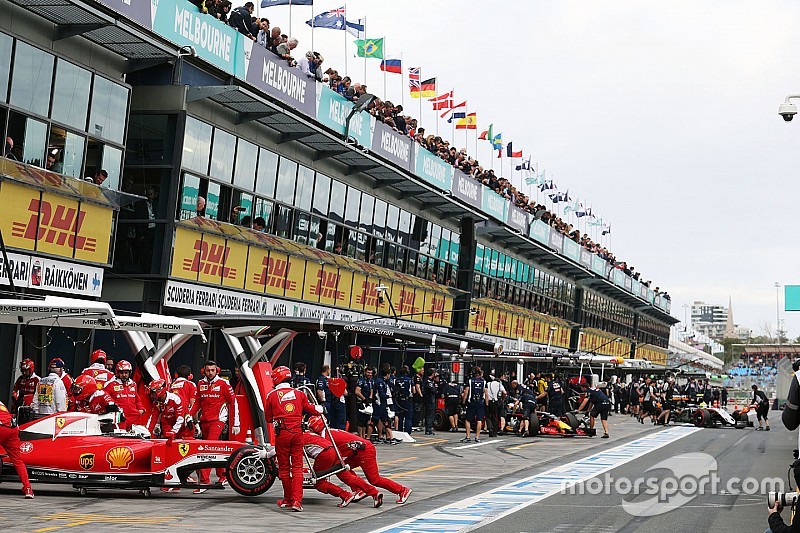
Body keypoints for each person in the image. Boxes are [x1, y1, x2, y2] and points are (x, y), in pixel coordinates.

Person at [308, 417, 411, 506]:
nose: (309, 430)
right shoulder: (328, 432)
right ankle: (359, 489)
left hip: (364, 451)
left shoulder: (326, 437)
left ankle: (402, 490)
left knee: (374, 479)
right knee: (341, 470)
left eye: (310, 428)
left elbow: (334, 454)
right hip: (357, 451)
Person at [264, 365, 323, 512]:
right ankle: (297, 501)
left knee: (284, 468)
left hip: (282, 435)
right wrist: (320, 409)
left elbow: (268, 418)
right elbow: (313, 409)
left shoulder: (271, 395)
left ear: (276, 378)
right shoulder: (300, 393)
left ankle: (288, 499)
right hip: (298, 434)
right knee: (297, 467)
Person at [195, 360, 240, 493]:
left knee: (208, 448)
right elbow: (197, 402)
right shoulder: (200, 383)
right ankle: (223, 475)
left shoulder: (224, 383)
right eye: (208, 370)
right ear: (204, 371)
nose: (210, 372)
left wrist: (235, 422)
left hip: (218, 421)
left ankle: (204, 482)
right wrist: (189, 415)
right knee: (216, 447)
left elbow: (233, 403)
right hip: (204, 421)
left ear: (217, 370)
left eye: (212, 370)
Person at [0, 400, 34, 498]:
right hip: (12, 429)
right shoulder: (1, 403)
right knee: (18, 461)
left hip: (1, 428)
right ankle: (28, 489)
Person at [104, 361, 145, 429]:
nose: (124, 375)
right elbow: (104, 400)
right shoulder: (110, 384)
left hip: (133, 419)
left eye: (126, 373)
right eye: (122, 373)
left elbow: (137, 400)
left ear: (129, 373)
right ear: (117, 373)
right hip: (119, 420)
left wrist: (141, 409)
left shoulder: (133, 384)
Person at [373, 364, 399, 444]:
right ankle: (367, 437)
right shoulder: (379, 382)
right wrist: (389, 396)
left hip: (383, 404)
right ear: (387, 374)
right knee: (373, 421)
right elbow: (381, 394)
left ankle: (391, 437)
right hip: (379, 404)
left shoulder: (384, 382)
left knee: (386, 420)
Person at [461, 366, 488, 443]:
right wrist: (486, 404)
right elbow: (486, 394)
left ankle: (468, 436)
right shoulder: (484, 382)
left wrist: (463, 401)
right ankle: (477, 437)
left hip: (471, 402)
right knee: (479, 419)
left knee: (468, 419)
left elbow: (466, 392)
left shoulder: (470, 381)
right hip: (480, 402)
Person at [171, 365, 198, 438]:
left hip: (173, 418)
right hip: (186, 419)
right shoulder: (191, 384)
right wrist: (196, 423)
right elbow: (193, 404)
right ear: (190, 375)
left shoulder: (171, 385)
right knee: (187, 444)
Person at [394, 366, 414, 434]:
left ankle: (400, 431)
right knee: (408, 417)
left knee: (400, 416)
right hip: (407, 400)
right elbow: (413, 391)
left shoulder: (396, 380)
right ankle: (407, 432)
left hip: (399, 400)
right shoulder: (409, 380)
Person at [355, 367, 374, 439]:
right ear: (365, 372)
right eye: (368, 372)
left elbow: (371, 390)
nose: (369, 374)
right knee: (361, 421)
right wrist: (364, 399)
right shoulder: (361, 380)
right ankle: (360, 436)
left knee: (367, 420)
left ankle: (364, 436)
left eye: (371, 373)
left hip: (368, 403)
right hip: (361, 402)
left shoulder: (371, 381)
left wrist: (370, 398)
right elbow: (357, 391)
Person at [422, 368, 437, 436]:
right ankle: (428, 429)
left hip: (430, 400)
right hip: (429, 400)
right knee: (429, 415)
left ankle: (429, 428)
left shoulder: (430, 381)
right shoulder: (428, 381)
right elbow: (433, 390)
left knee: (430, 414)